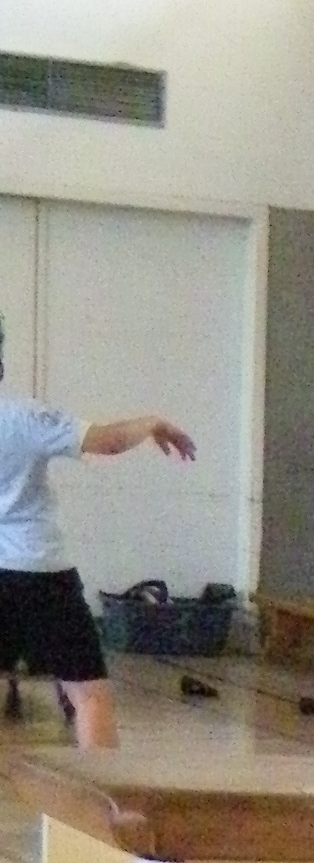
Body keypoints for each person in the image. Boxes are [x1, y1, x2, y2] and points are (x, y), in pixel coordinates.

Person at [0, 319, 195, 754]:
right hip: (40, 575)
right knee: (89, 696)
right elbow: (108, 441)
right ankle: (100, 793)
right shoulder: (24, 418)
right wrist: (150, 422)